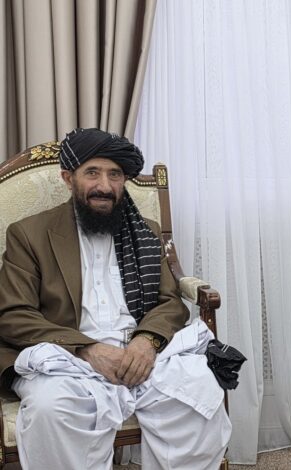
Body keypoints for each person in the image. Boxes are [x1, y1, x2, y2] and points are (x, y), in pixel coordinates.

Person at [0, 128, 232, 469]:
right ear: (68, 178)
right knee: (51, 408)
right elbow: (14, 314)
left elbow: (169, 301)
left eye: (115, 175)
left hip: (140, 355)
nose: (105, 186)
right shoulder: (29, 234)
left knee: (199, 391)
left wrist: (146, 341)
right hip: (68, 359)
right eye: (92, 173)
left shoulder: (145, 230)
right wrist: (87, 349)